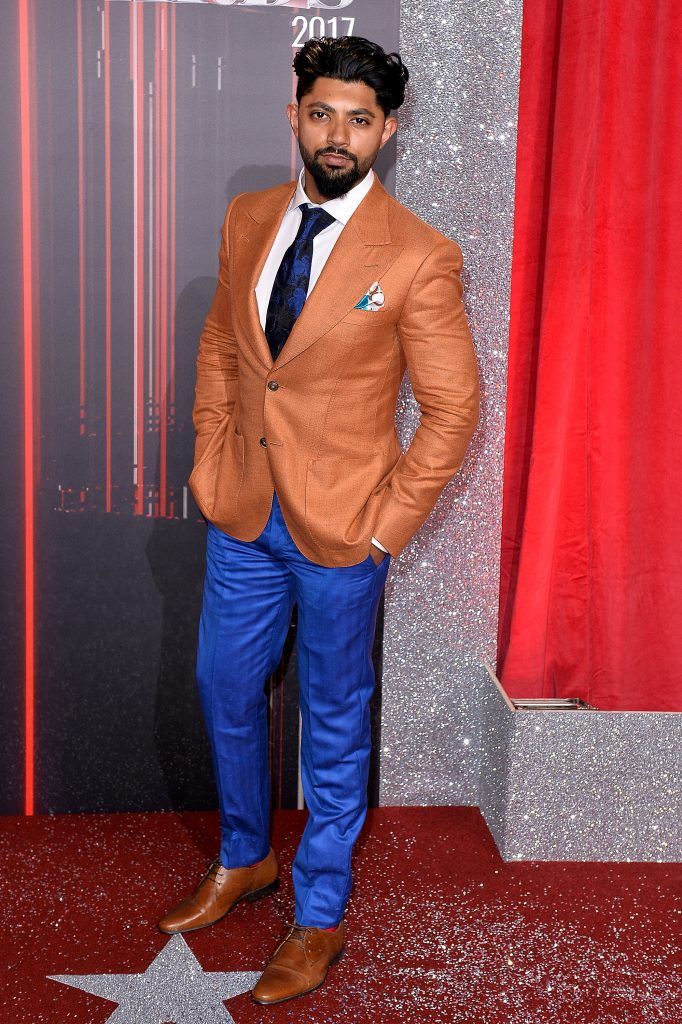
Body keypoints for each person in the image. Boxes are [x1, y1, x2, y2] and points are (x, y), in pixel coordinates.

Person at [158, 34, 479, 1005]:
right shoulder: (249, 216)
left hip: (344, 533)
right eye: (321, 112)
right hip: (243, 516)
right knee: (224, 686)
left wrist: (385, 529)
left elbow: (454, 407)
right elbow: (223, 345)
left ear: (387, 129)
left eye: (359, 119)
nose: (337, 134)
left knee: (332, 727)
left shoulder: (419, 254)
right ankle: (246, 857)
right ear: (293, 113)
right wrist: (211, 453)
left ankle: (320, 916)